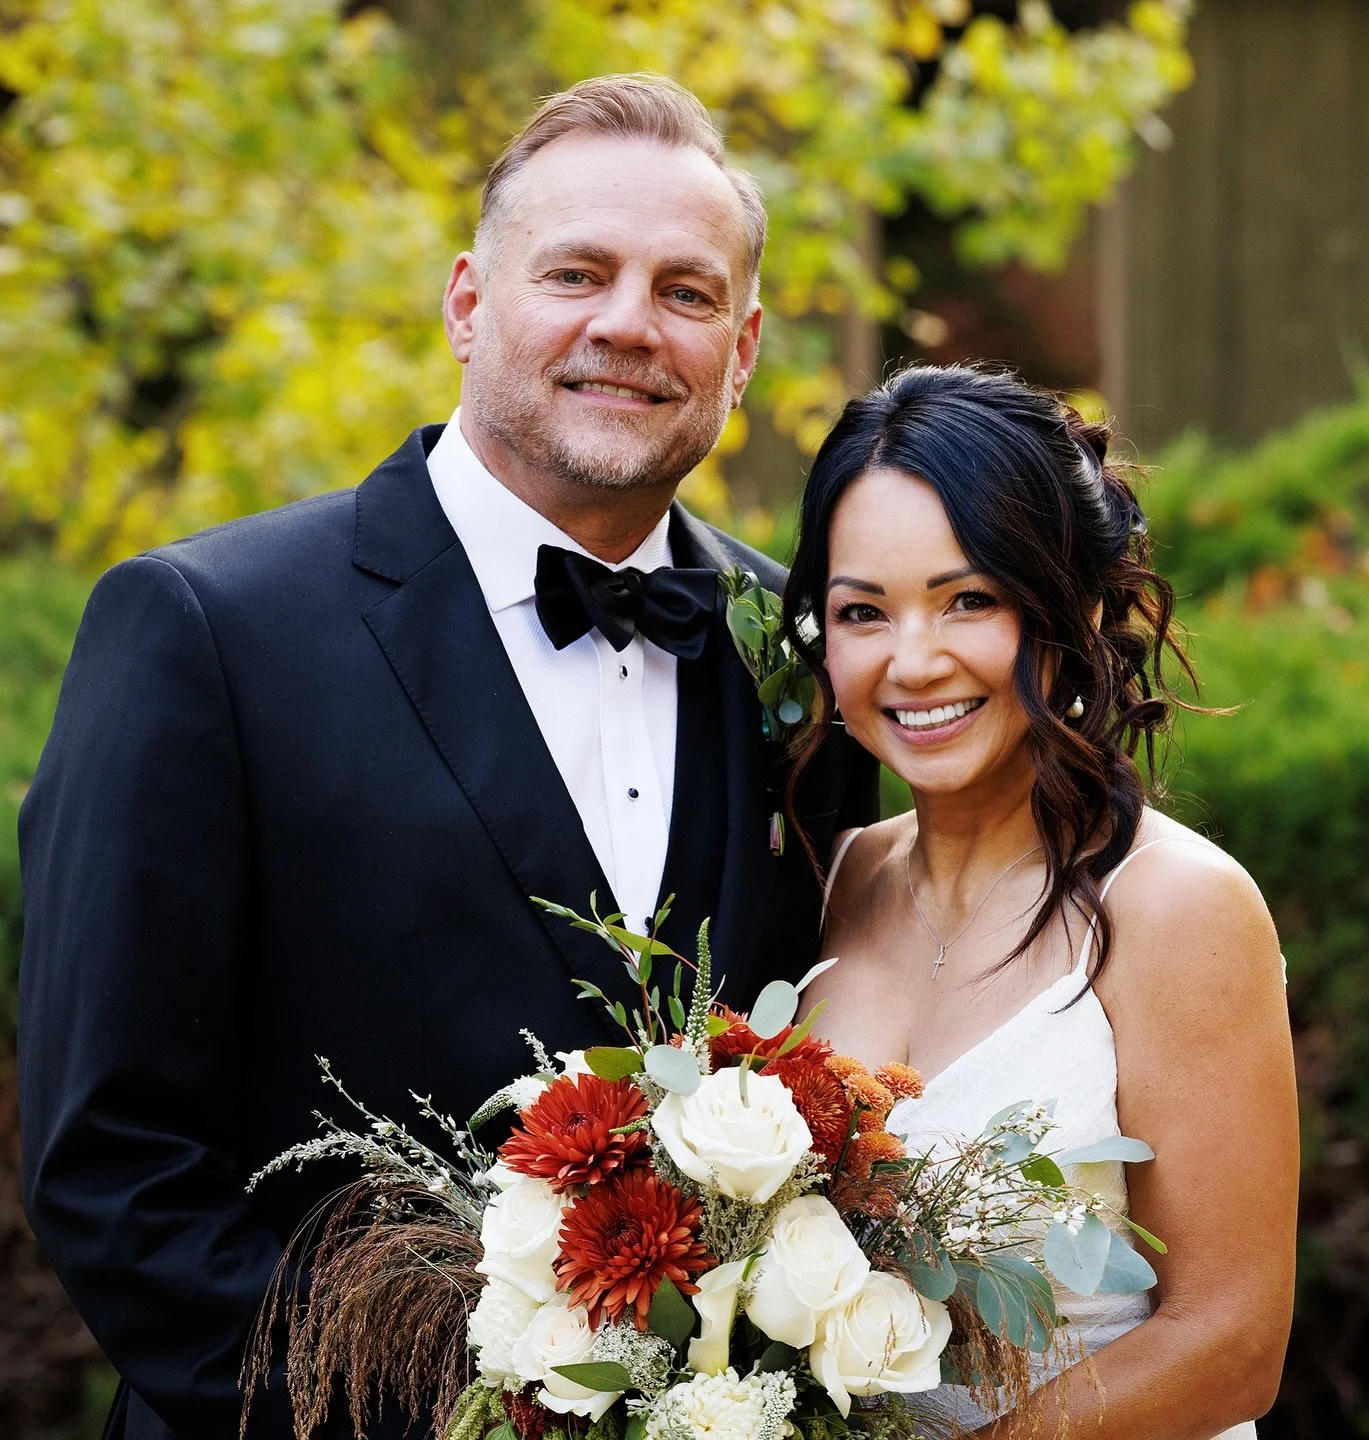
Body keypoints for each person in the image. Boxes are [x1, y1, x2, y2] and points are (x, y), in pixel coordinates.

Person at [18, 75, 875, 1440]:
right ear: (469, 304)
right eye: (577, 272)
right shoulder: (202, 631)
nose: (626, 325)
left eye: (687, 291)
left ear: (748, 344)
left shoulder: (810, 655)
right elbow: (112, 1170)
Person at [784, 365, 1298, 1438]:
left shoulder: (1179, 908)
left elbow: (1234, 1338)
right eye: (863, 611)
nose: (913, 661)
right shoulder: (834, 884)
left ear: (1077, 606)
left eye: (968, 599)